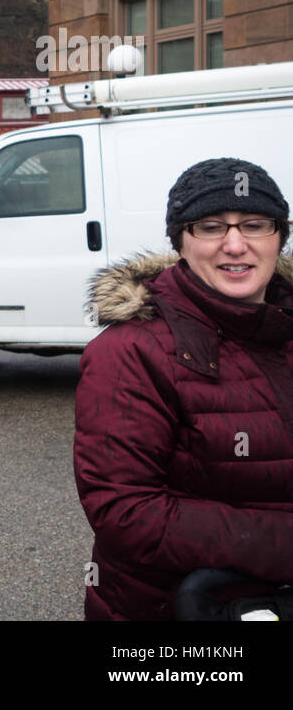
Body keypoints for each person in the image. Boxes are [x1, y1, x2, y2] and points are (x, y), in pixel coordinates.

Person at [74, 157, 293, 620]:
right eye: (211, 227)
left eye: (255, 224)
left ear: (280, 236)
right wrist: (279, 542)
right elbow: (125, 510)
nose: (235, 245)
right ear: (181, 242)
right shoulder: (131, 350)